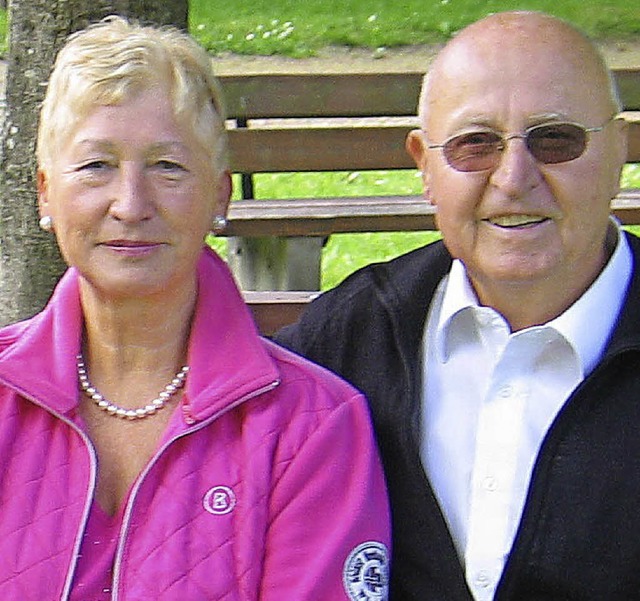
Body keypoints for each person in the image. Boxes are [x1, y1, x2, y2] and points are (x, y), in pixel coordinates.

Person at [0, 16, 390, 600]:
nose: (130, 204)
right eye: (96, 165)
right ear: (45, 192)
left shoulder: (312, 429)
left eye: (167, 167)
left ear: (220, 194)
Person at [274, 10, 640, 601]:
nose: (515, 177)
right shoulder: (351, 338)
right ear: (424, 166)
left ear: (619, 148)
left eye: (555, 139)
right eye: (476, 145)